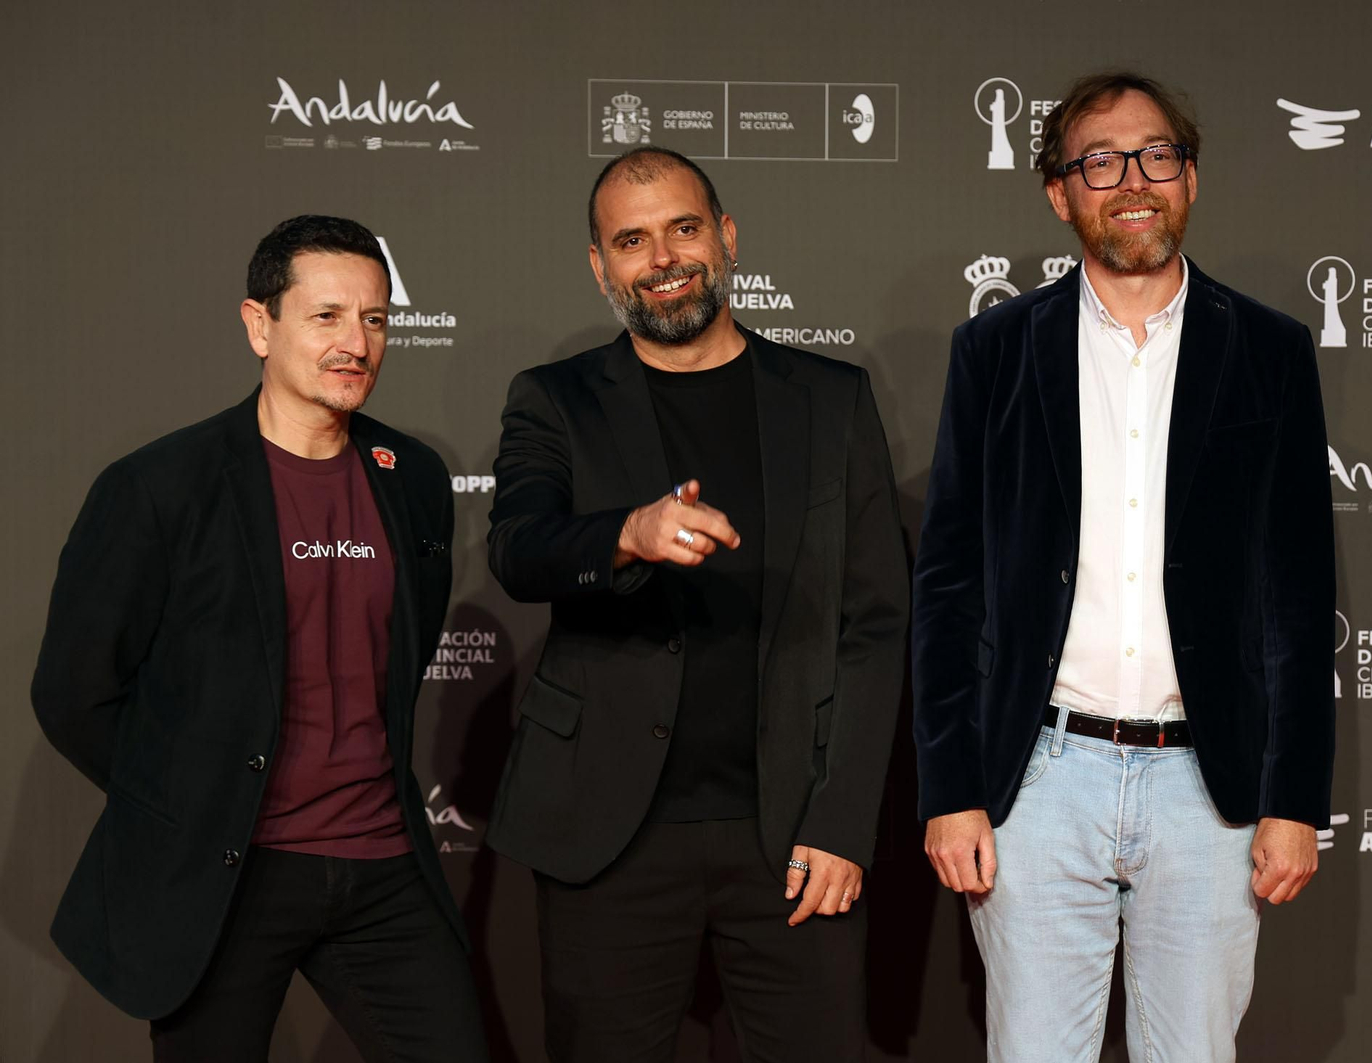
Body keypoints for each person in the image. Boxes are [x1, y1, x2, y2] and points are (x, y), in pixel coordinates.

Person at [913, 72, 1335, 1062]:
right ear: (1059, 192)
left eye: (1155, 156)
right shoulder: (994, 350)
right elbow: (948, 585)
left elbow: (1298, 590)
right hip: (1039, 779)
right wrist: (950, 787)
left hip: (1208, 783)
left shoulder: (1270, 352)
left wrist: (1295, 798)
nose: (1131, 179)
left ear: (1188, 178)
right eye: (1098, 160)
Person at [485, 146, 908, 1063]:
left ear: (725, 236)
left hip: (793, 832)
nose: (663, 256)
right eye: (631, 240)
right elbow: (516, 548)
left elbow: (876, 622)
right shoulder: (556, 401)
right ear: (601, 268)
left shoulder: (832, 400)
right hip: (608, 836)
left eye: (683, 228)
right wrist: (626, 534)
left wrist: (841, 825)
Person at [32, 215, 488, 1062]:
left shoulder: (414, 478)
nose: (358, 342)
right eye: (326, 317)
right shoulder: (159, 486)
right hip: (231, 872)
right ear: (259, 324)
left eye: (376, 319)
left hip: (383, 862)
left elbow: (405, 651)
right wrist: (195, 794)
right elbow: (73, 693)